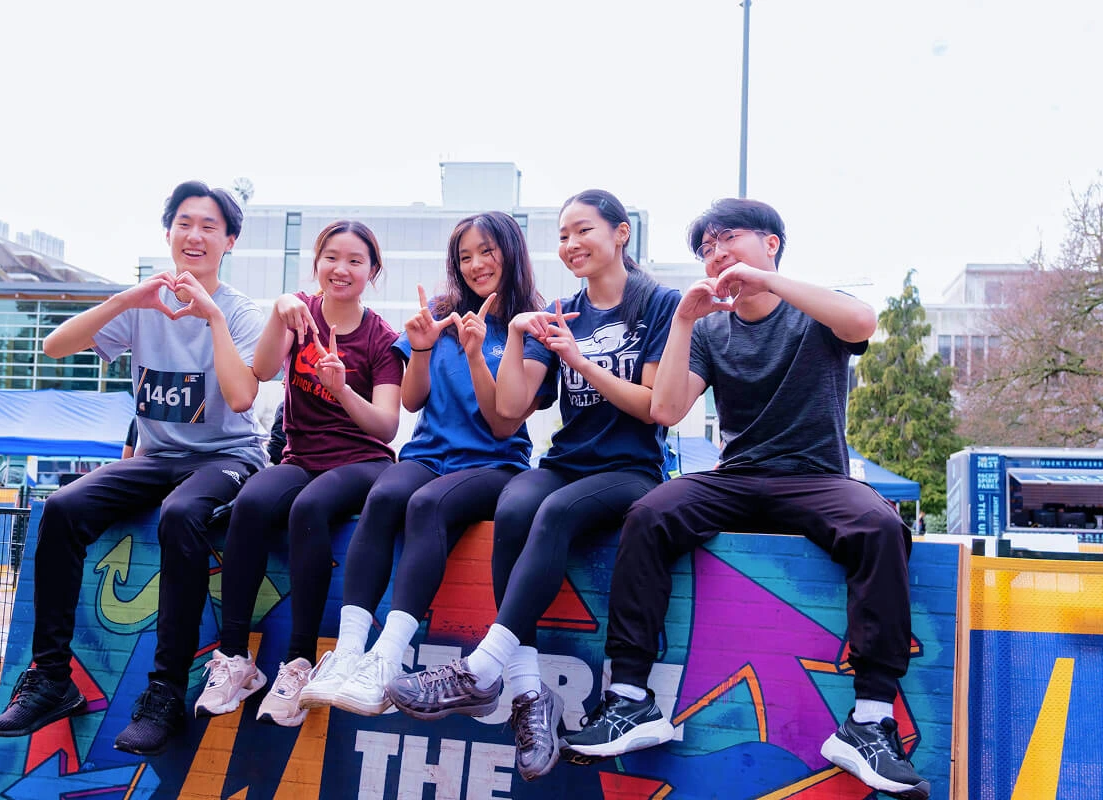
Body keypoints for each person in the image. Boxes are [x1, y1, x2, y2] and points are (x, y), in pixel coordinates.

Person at [559, 199, 930, 800]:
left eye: (729, 238)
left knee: (879, 526)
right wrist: (681, 322)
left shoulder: (812, 311)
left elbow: (862, 322)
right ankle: (630, 700)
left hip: (814, 476)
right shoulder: (708, 330)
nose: (717, 253)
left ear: (772, 244)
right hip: (735, 475)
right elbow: (667, 409)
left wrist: (768, 283)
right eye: (706, 247)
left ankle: (868, 720)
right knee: (650, 514)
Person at [387, 190, 680, 781]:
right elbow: (506, 417)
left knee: (553, 515)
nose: (571, 245)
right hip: (567, 459)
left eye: (583, 231)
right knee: (516, 506)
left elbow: (655, 408)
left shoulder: (657, 303)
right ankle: (527, 692)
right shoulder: (563, 309)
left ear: (620, 234)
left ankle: (481, 667)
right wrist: (513, 339)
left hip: (630, 468)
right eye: (563, 235)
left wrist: (580, 357)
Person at [0, 181, 267, 757]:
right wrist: (125, 302)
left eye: (210, 226)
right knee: (62, 507)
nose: (195, 235)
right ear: (168, 233)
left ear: (229, 241)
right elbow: (56, 348)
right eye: (184, 223)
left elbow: (241, 400)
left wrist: (209, 316)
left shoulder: (241, 313)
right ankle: (51, 678)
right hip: (158, 457)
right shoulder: (143, 306)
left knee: (180, 515)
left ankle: (163, 694)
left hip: (228, 457)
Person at [282, 212, 548, 729]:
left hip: (492, 464)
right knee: (384, 497)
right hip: (428, 454)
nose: (476, 264)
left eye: (487, 251)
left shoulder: (529, 324)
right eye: (465, 256)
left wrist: (476, 354)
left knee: (426, 506)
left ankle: (388, 656)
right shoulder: (441, 314)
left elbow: (504, 423)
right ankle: (349, 653)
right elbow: (411, 398)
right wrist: (423, 348)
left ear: (511, 252)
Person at [194, 221, 404, 727]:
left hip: (362, 461)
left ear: (372, 272)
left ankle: (300, 662)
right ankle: (236, 659)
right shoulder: (299, 315)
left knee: (309, 509)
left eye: (356, 260)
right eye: (332, 257)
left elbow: (386, 425)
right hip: (300, 457)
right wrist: (280, 313)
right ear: (317, 263)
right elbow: (262, 371)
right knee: (251, 503)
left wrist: (341, 388)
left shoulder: (382, 339)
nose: (342, 269)